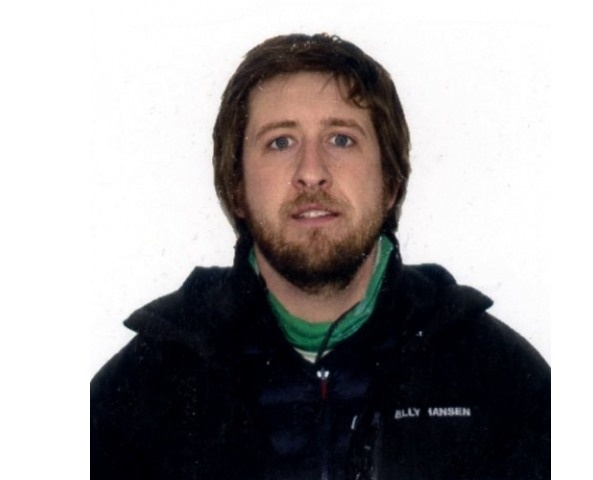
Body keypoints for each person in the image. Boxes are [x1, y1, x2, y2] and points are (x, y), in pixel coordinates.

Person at [91, 33, 550, 480]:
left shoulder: (502, 382)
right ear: (237, 189)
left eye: (341, 139)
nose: (311, 173)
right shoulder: (138, 395)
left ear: (391, 182)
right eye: (280, 142)